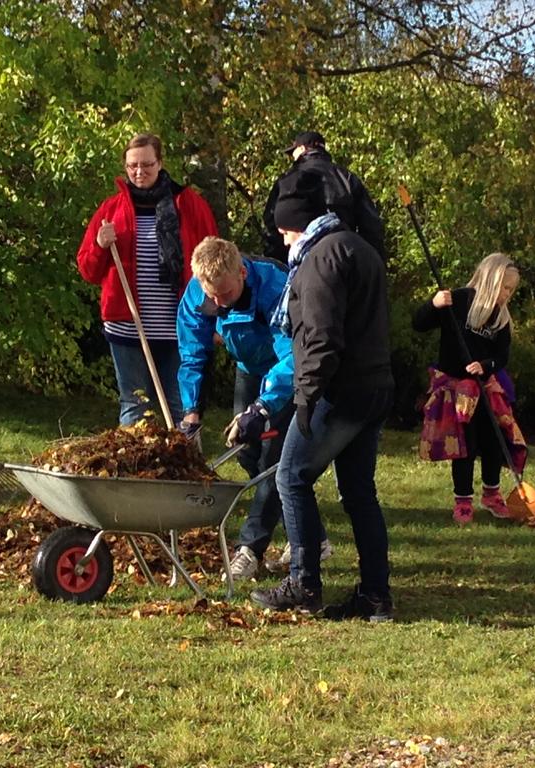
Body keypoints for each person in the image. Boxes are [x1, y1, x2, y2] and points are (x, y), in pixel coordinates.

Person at [249, 170, 394, 621]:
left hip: (339, 391)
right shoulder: (358, 247)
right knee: (358, 492)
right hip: (376, 386)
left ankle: (304, 583)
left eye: (283, 225)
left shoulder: (318, 262)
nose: (280, 233)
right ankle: (375, 596)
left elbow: (320, 339)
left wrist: (307, 398)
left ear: (297, 223)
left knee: (289, 477)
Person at [177, 236, 332, 581]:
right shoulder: (199, 294)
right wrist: (191, 412)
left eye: (226, 295)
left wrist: (262, 408)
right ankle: (313, 537)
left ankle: (250, 549)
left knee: (273, 464)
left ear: (242, 274)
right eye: (212, 297)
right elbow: (192, 352)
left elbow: (294, 356)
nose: (219, 303)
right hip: (248, 368)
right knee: (246, 453)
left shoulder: (276, 287)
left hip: (289, 375)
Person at [77, 133, 218, 426]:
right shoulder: (110, 210)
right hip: (127, 326)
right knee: (135, 404)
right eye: (132, 166)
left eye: (146, 164)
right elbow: (88, 271)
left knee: (179, 404)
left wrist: (215, 319)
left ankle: (182, 470)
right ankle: (135, 471)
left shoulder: (190, 206)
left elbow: (215, 264)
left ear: (160, 163)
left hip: (179, 326)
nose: (139, 172)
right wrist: (100, 245)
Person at [413, 253, 526, 524]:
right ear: (490, 280)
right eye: (505, 288)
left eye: (511, 290)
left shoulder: (501, 319)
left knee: (493, 440)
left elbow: (502, 355)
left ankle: (491, 493)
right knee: (464, 445)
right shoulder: (458, 301)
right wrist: (434, 304)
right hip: (455, 390)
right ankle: (463, 500)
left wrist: (486, 365)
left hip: (485, 387)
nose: (507, 294)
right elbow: (418, 324)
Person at [262, 131, 386, 264]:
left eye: (294, 151)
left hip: (302, 263)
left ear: (302, 148)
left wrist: (278, 265)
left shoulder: (288, 180)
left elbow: (272, 226)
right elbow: (371, 226)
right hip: (344, 257)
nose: (292, 157)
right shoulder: (348, 177)